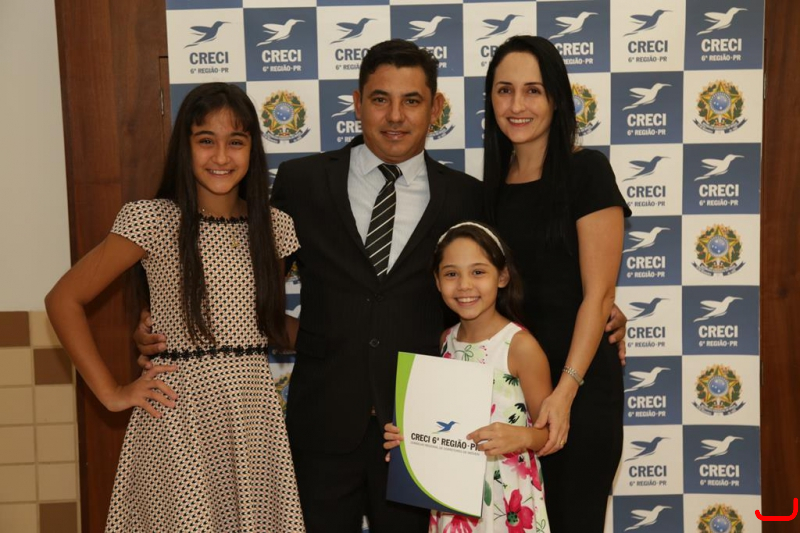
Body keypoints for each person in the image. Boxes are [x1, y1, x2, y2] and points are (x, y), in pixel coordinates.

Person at [133, 39, 628, 532]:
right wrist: (167, 324)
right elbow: (247, 287)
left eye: (411, 100)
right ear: (357, 103)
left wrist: (603, 307)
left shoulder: (469, 197)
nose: (395, 116)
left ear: (435, 107)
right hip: (322, 426)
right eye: (379, 99)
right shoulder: (301, 183)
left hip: (423, 434)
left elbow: (507, 287)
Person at [45, 83, 305, 532]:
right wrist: (112, 393)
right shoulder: (151, 219)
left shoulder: (274, 227)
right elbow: (63, 299)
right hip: (180, 417)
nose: (221, 156)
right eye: (206, 140)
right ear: (185, 147)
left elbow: (256, 322)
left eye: (236, 142)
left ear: (252, 150)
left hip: (253, 417)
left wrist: (345, 337)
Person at [483, 35, 631, 531]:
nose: (517, 105)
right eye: (504, 90)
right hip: (508, 393)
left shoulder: (587, 171)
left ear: (556, 99)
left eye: (533, 90)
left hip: (578, 393)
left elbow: (598, 295)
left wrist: (564, 393)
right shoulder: (487, 191)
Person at [384, 222, 552, 533]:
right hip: (452, 497)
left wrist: (522, 436)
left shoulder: (520, 346)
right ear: (437, 281)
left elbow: (551, 432)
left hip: (507, 499)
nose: (464, 285)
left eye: (478, 272)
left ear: (502, 276)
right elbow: (440, 424)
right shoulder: (445, 341)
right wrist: (407, 440)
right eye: (451, 274)